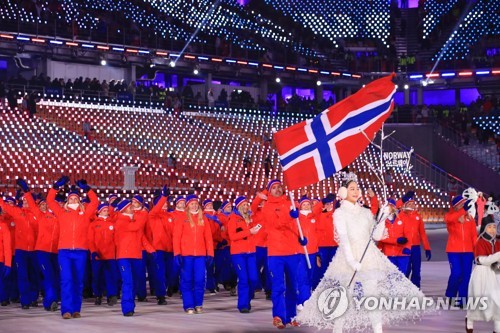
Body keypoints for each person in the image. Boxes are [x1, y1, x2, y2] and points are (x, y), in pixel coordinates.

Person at [296, 177, 425, 333]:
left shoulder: (365, 212)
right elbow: (343, 239)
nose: (356, 191)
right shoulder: (339, 213)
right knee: (344, 297)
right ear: (343, 192)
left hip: (368, 257)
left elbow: (376, 236)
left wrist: (382, 218)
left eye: (357, 188)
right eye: (352, 188)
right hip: (347, 259)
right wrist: (351, 260)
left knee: (372, 295)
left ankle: (378, 330)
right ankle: (338, 330)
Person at [47, 177, 98, 319]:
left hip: (81, 251)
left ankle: (76, 309)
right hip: (64, 251)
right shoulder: (62, 213)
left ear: (79, 201)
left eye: (76, 198)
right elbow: (50, 201)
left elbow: (95, 202)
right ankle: (66, 310)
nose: (73, 200)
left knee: (78, 280)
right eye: (71, 198)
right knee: (66, 280)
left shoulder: (86, 213)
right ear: (67, 201)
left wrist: (87, 189)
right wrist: (55, 187)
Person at [261, 179, 304, 329]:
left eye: (279, 187)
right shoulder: (266, 207)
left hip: (292, 251)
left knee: (293, 286)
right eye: (274, 188)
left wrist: (301, 237)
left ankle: (291, 316)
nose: (278, 189)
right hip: (276, 253)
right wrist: (289, 215)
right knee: (279, 286)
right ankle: (278, 316)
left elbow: (296, 224)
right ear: (269, 191)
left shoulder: (290, 202)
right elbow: (275, 225)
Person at [0, 182, 39, 310]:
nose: (26, 201)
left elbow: (33, 205)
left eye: (28, 200)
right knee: (23, 276)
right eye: (24, 200)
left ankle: (34, 298)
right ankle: (25, 301)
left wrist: (27, 191)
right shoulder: (17, 212)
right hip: (21, 251)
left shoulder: (35, 213)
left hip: (34, 250)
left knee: (34, 275)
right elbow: (4, 205)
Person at [173, 194, 214, 314]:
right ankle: (189, 305)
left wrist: (210, 253)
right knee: (187, 280)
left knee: (200, 279)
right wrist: (177, 253)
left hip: (200, 255)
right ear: (187, 205)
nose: (194, 205)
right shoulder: (182, 218)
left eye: (196, 203)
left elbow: (208, 238)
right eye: (192, 203)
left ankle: (198, 303)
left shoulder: (203, 218)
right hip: (186, 255)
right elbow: (176, 237)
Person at [114, 199, 156, 316]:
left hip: (136, 255)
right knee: (128, 281)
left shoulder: (134, 220)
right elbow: (136, 226)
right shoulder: (120, 221)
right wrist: (143, 212)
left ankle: (130, 306)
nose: (133, 207)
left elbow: (141, 237)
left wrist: (151, 250)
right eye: (130, 206)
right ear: (124, 209)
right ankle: (127, 308)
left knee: (135, 281)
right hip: (124, 256)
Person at [465, 203, 500, 333]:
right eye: (490, 227)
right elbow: (481, 260)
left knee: (497, 300)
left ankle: (497, 328)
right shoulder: (480, 242)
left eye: (494, 227)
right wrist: (497, 256)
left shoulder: (497, 243)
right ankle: (470, 320)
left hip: (495, 275)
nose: (492, 230)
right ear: (484, 228)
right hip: (481, 274)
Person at [24, 188, 60, 312]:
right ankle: (51, 301)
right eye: (42, 204)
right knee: (48, 276)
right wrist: (26, 191)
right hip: (42, 252)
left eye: (46, 204)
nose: (44, 206)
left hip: (55, 252)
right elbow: (32, 206)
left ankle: (51, 299)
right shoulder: (40, 216)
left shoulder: (57, 217)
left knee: (54, 277)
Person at [227, 196, 260, 313]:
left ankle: (247, 299)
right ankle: (243, 305)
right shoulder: (233, 219)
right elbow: (232, 236)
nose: (246, 207)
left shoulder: (250, 218)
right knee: (244, 279)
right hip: (238, 254)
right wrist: (249, 232)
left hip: (251, 252)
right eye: (244, 205)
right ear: (239, 206)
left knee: (254, 279)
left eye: (247, 205)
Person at [444, 195, 477, 307]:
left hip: (468, 251)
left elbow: (473, 236)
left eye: (464, 204)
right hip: (454, 251)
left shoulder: (470, 218)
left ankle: (463, 299)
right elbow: (449, 220)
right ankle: (451, 295)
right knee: (456, 273)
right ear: (456, 206)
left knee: (466, 275)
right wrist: (462, 211)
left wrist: (475, 251)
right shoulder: (450, 216)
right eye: (462, 204)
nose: (464, 206)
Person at [88, 203, 118, 306]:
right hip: (98, 255)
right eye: (104, 210)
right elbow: (90, 240)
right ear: (99, 211)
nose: (106, 212)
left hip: (110, 255)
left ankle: (111, 295)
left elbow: (116, 239)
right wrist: (93, 251)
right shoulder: (93, 224)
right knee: (97, 276)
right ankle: (98, 295)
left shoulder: (112, 223)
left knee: (111, 276)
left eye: (107, 210)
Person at [399, 191, 431, 288]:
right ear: (405, 205)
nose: (412, 205)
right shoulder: (400, 216)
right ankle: (403, 290)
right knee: (406, 270)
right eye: (410, 203)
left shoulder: (418, 216)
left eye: (413, 203)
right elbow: (395, 206)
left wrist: (427, 248)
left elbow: (422, 233)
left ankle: (416, 290)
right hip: (404, 247)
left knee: (416, 270)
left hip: (416, 248)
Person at [146, 186, 171, 305]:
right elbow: (156, 210)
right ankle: (160, 295)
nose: (165, 204)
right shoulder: (152, 215)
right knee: (160, 272)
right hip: (158, 248)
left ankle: (168, 288)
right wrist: (164, 196)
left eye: (166, 202)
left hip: (170, 248)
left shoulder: (170, 216)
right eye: (163, 203)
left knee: (171, 272)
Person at [295, 196, 319, 310]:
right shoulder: (297, 218)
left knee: (310, 276)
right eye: (304, 204)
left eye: (308, 204)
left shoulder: (314, 217)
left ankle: (305, 298)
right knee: (302, 276)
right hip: (300, 252)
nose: (306, 206)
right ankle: (304, 300)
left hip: (312, 251)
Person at [377, 199, 412, 274]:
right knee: (391, 278)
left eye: (388, 206)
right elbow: (381, 237)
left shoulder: (403, 217)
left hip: (402, 253)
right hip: (388, 254)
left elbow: (408, 234)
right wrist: (396, 240)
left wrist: (407, 247)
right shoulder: (381, 220)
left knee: (402, 277)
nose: (386, 208)